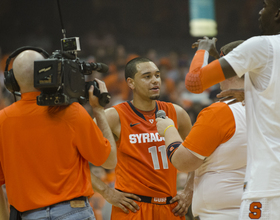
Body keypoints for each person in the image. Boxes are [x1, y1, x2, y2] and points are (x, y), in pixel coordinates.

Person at [182, 1, 280, 219]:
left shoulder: (262, 45)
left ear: (277, 14)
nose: (260, 11)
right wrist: (252, 95)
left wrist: (203, 50)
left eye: (266, 7)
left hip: (268, 187)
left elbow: (194, 82)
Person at [0, 49, 117, 219]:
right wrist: (98, 110)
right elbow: (109, 161)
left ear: (13, 82)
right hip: (74, 212)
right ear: (50, 71)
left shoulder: (2, 121)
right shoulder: (71, 111)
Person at [156, 41, 247, 220]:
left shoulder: (221, 112)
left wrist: (168, 129)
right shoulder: (268, 106)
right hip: (261, 208)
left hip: (223, 213)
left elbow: (184, 162)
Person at [104, 57, 193, 220]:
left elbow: (200, 155)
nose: (155, 81)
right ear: (131, 83)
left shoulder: (177, 113)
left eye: (157, 76)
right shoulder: (114, 115)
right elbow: (74, 152)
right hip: (133, 208)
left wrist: (189, 190)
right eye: (147, 76)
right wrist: (107, 192)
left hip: (171, 208)